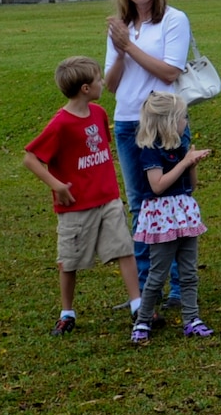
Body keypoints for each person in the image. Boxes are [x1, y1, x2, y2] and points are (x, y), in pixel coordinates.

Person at [22, 57, 142, 337]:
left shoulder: (99, 113)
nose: (104, 82)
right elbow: (30, 158)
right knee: (69, 260)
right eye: (100, 79)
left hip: (108, 199)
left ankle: (138, 305)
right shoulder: (60, 124)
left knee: (125, 249)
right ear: (86, 88)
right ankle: (67, 313)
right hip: (76, 207)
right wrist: (58, 186)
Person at [105, 0, 191, 293]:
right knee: (140, 204)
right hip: (127, 121)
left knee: (171, 201)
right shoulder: (120, 26)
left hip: (163, 123)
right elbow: (111, 85)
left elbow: (170, 71)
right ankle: (145, 291)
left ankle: (176, 286)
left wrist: (129, 47)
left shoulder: (173, 19)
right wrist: (120, 49)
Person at [129, 92, 213, 344]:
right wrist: (183, 163)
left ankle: (192, 318)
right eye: (183, 117)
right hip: (161, 217)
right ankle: (142, 321)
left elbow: (192, 185)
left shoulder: (180, 147)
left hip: (184, 215)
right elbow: (157, 185)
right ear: (168, 121)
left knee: (189, 272)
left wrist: (192, 164)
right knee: (157, 273)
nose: (186, 121)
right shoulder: (150, 151)